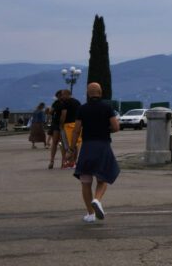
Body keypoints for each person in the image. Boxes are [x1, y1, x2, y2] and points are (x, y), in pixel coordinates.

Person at [68, 82, 120, 223]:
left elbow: (76, 130)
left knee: (85, 181)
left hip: (87, 147)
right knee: (103, 178)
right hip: (102, 145)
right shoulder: (107, 107)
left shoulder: (82, 109)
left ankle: (90, 214)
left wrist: (71, 149)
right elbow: (116, 127)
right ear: (100, 92)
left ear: (87, 94)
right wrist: (105, 129)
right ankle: (97, 199)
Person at [61, 88, 82, 168]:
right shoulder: (77, 102)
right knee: (75, 144)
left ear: (66, 94)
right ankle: (74, 162)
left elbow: (63, 114)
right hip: (77, 124)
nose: (62, 97)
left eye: (63, 95)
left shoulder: (65, 103)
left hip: (68, 125)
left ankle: (70, 162)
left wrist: (61, 124)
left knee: (69, 145)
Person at [48, 90, 64, 169]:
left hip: (57, 124)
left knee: (55, 143)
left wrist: (47, 121)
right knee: (62, 143)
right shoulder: (64, 103)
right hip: (60, 124)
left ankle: (52, 161)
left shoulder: (56, 103)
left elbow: (50, 112)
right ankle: (63, 161)